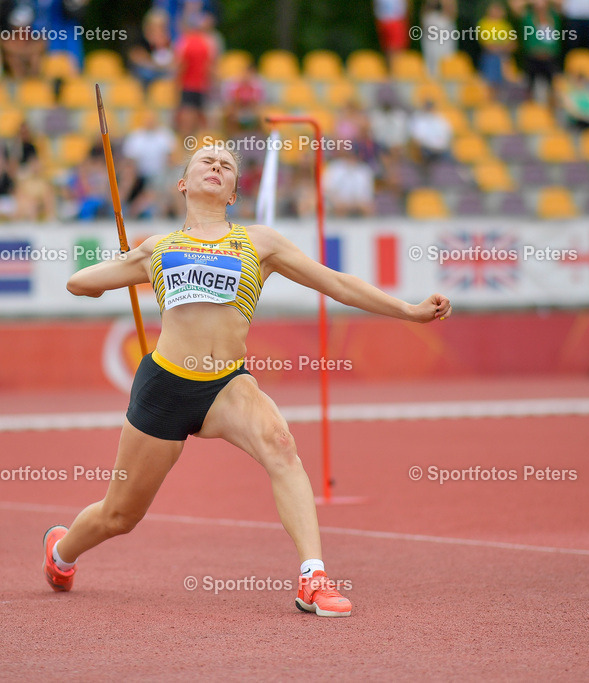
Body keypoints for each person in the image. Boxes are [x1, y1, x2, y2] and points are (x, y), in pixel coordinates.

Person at [42, 145, 452, 617]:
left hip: (226, 385)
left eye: (226, 166)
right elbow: (80, 284)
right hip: (164, 387)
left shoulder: (261, 243)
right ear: (182, 184)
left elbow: (336, 282)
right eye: (206, 162)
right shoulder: (160, 246)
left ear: (234, 192)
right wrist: (122, 265)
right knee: (120, 516)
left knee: (280, 444)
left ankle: (313, 578)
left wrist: (408, 310)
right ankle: (60, 552)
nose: (216, 167)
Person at [510, 0, 563, 109]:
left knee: (553, 89)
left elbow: (560, 3)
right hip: (532, 58)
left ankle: (552, 116)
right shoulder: (528, 17)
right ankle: (531, 113)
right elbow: (514, 5)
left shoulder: (553, 15)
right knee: (530, 89)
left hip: (550, 58)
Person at [128, 7, 175, 87]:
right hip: (144, 75)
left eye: (161, 26)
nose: (158, 29)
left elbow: (174, 62)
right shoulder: (140, 40)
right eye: (155, 26)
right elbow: (136, 57)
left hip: (163, 74)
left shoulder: (168, 41)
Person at [477, 2, 516, 89]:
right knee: (489, 85)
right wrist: (504, 46)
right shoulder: (484, 23)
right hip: (490, 58)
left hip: (504, 60)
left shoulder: (505, 25)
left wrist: (498, 46)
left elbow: (513, 45)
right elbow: (488, 46)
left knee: (505, 86)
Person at [420, 0, 456, 78]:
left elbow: (452, 11)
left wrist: (446, 3)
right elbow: (424, 15)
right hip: (431, 63)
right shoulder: (430, 19)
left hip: (447, 61)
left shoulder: (447, 21)